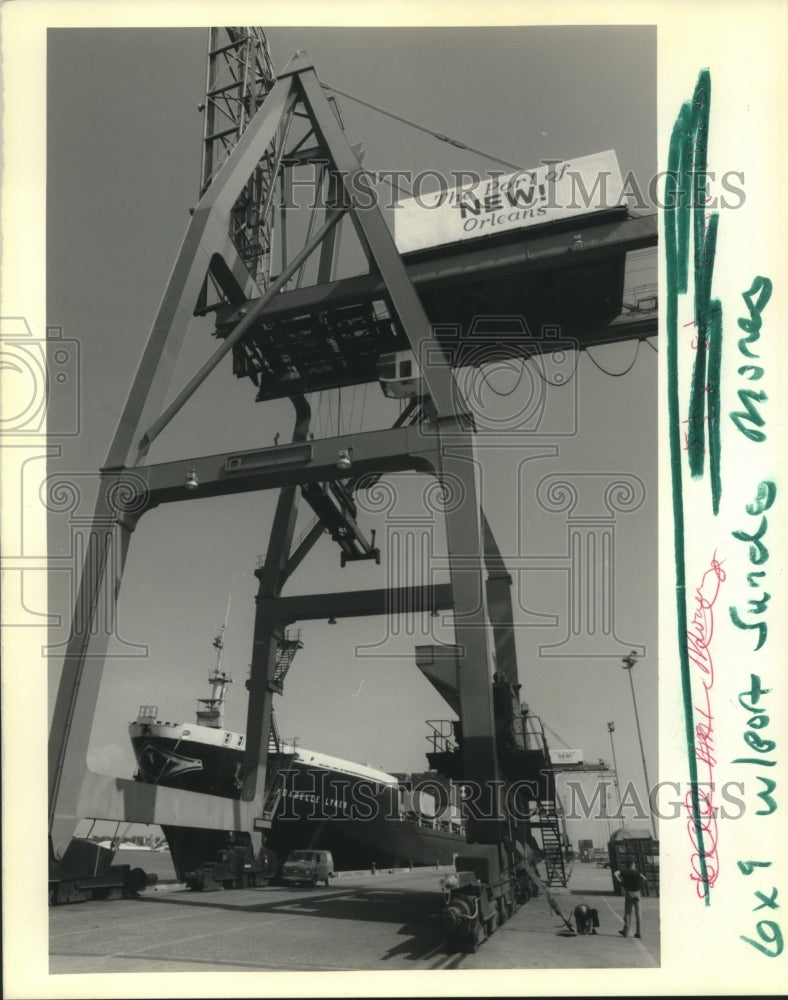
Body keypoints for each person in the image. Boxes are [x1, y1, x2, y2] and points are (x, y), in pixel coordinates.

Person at [614, 860, 647, 937]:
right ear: (632, 865)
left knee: (627, 913)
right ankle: (638, 932)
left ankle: (625, 931)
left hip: (629, 893)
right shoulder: (637, 872)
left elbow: (615, 874)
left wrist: (620, 882)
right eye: (634, 865)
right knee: (638, 913)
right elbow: (644, 878)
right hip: (637, 894)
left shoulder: (624, 871)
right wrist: (639, 885)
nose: (635, 866)